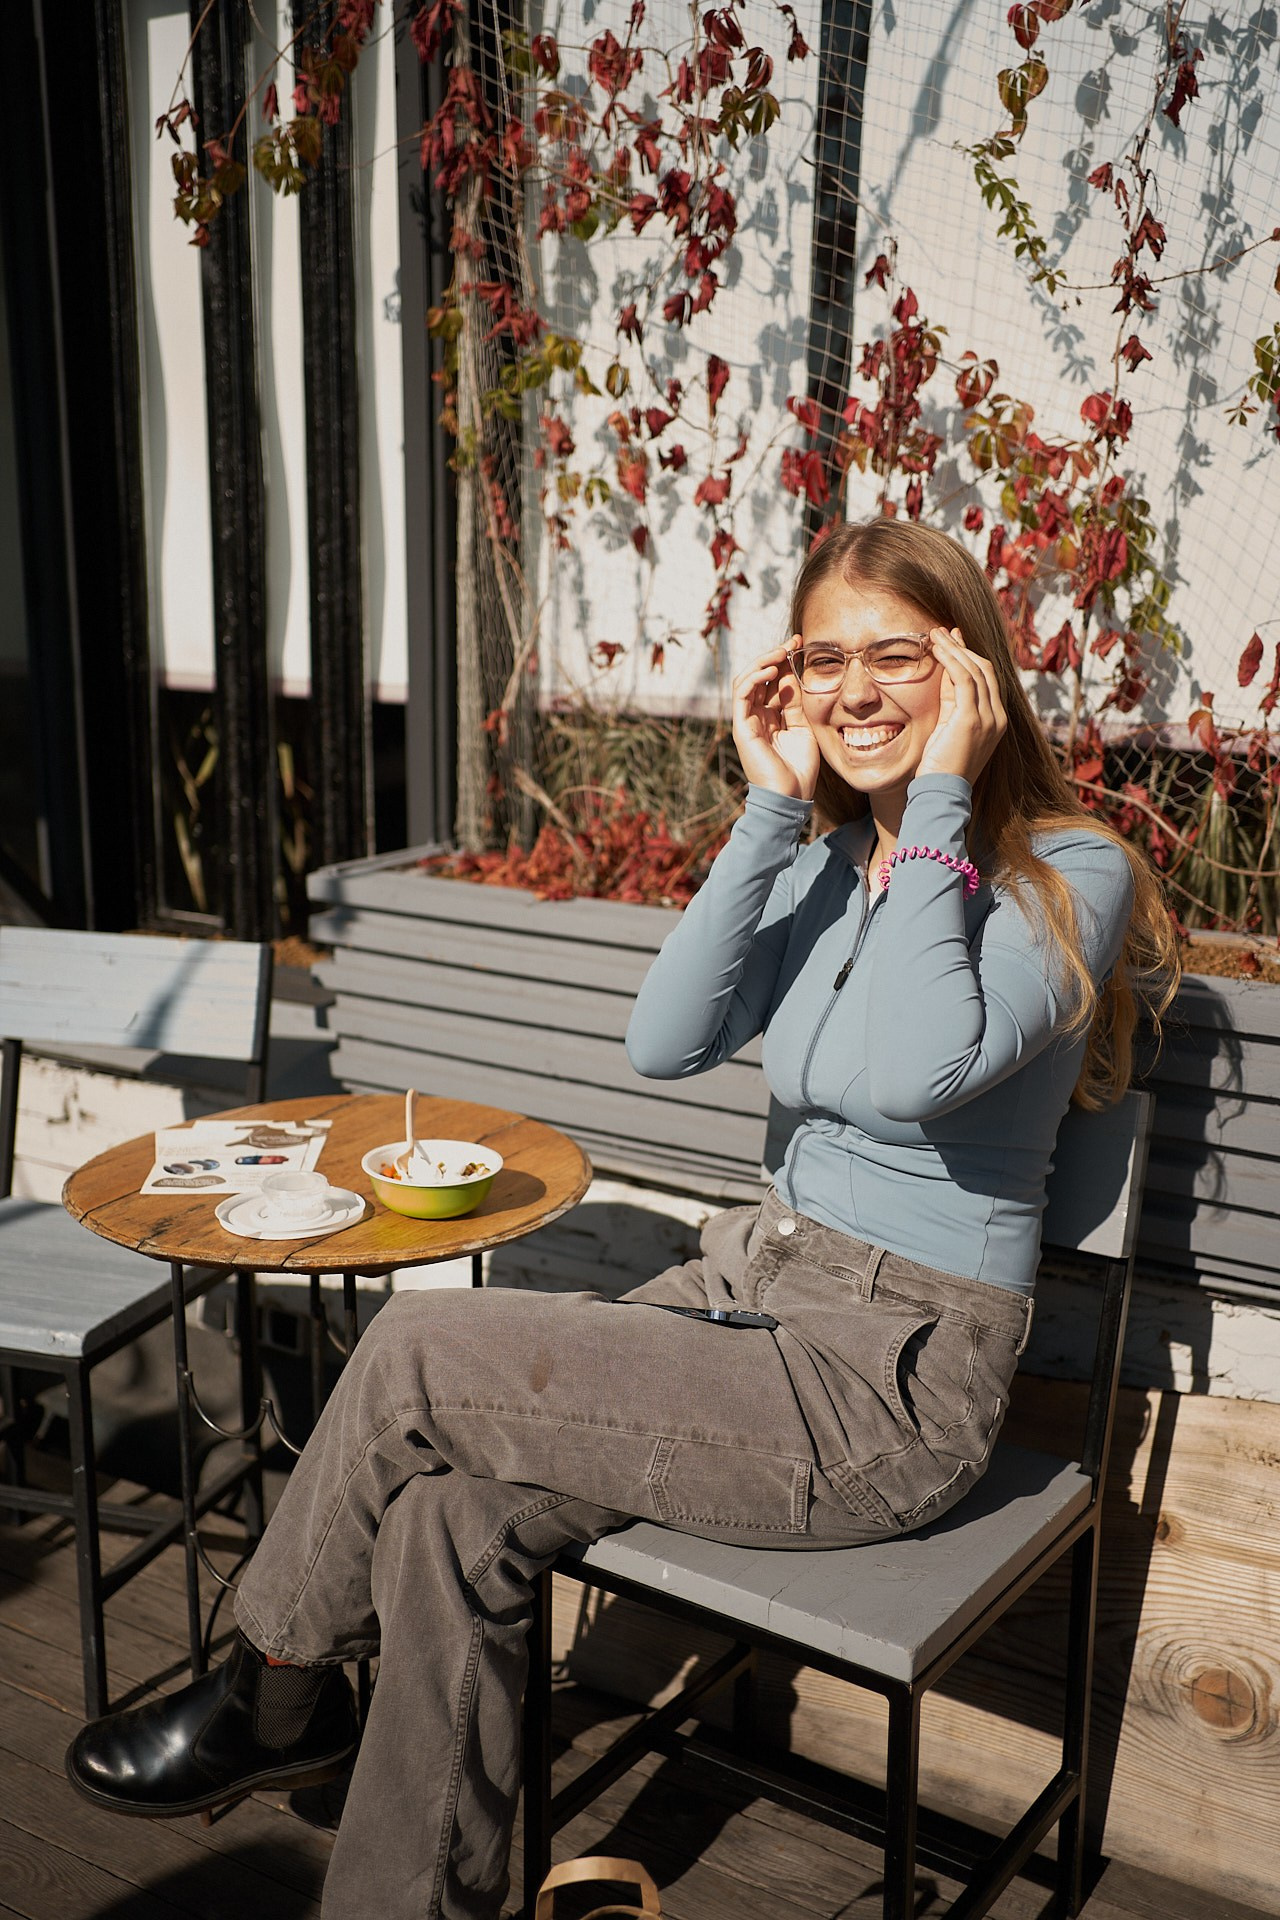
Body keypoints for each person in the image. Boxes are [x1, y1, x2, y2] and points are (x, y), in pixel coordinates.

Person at [64, 519, 1177, 1919]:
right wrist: (772, 813)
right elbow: (665, 1038)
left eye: (899, 655)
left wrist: (943, 798)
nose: (858, 690)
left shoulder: (1067, 872)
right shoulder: (838, 859)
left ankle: (269, 1688)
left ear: (972, 673)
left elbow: (911, 1073)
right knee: (446, 1522)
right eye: (826, 659)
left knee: (415, 1350)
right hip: (746, 1303)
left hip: (890, 1385)